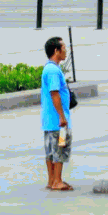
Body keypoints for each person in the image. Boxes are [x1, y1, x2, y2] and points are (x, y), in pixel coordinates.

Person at [40, 35, 74, 193]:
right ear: (56, 50)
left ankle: (52, 180)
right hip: (57, 121)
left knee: (50, 150)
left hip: (50, 120)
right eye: (64, 48)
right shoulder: (53, 70)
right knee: (59, 148)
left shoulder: (49, 68)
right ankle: (57, 181)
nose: (65, 51)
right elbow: (55, 94)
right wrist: (62, 116)